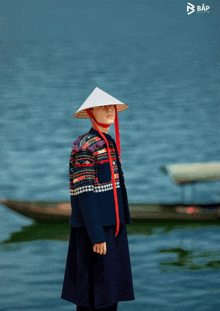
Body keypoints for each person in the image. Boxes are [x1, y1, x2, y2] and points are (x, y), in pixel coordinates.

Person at [61, 87, 135, 311]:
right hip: (95, 231)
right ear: (91, 112)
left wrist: (119, 223)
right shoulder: (85, 146)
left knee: (110, 293)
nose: (110, 110)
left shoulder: (108, 141)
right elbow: (84, 193)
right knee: (93, 296)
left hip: (112, 227)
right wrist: (96, 235)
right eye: (103, 106)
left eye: (111, 105)